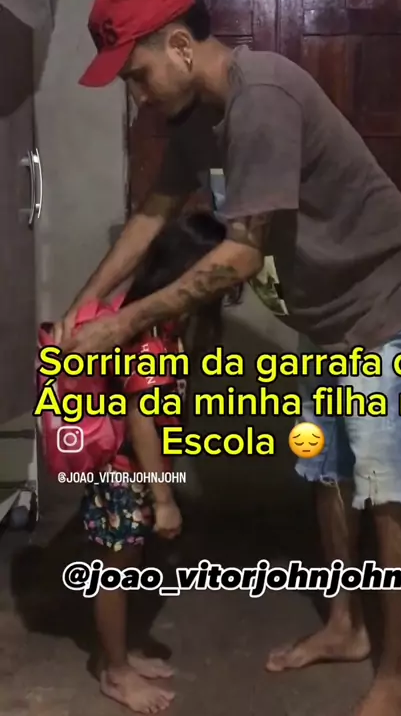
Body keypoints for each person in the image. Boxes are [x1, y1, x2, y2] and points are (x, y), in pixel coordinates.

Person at [56, 0, 401, 716]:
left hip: (389, 304)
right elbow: (152, 214)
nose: (137, 97)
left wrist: (125, 323)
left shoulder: (260, 95)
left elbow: (240, 256)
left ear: (179, 46)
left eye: (136, 76)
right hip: (327, 318)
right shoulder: (194, 121)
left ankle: (396, 676)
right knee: (327, 475)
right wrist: (86, 303)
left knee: (390, 491)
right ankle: (345, 627)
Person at [79, 211, 226, 714]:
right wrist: (164, 500)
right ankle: (115, 673)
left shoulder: (161, 321)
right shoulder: (149, 334)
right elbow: (141, 419)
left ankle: (118, 652)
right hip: (124, 471)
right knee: (114, 570)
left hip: (134, 468)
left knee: (126, 565)